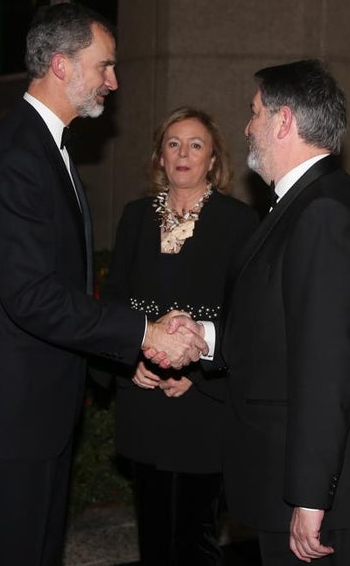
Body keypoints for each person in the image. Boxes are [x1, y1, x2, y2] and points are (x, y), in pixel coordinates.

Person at [0, 2, 208, 566]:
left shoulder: (43, 147)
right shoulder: (16, 155)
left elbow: (60, 287)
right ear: (61, 65)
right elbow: (31, 296)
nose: (114, 81)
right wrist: (144, 332)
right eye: (104, 65)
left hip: (35, 418)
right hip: (6, 422)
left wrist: (126, 349)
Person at [197, 60, 350, 565]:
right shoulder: (304, 203)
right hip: (299, 481)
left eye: (254, 113)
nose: (247, 127)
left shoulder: (322, 212)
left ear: (284, 121)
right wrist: (204, 335)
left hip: (320, 497)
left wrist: (311, 498)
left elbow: (327, 366)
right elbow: (277, 332)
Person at [103, 107, 258, 565]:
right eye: (173, 144)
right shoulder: (135, 218)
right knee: (153, 538)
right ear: (160, 156)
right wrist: (129, 361)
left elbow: (250, 317)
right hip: (144, 400)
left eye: (195, 145)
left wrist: (199, 374)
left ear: (213, 160)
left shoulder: (239, 221)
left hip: (202, 405)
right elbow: (114, 301)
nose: (183, 154)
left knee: (195, 539)